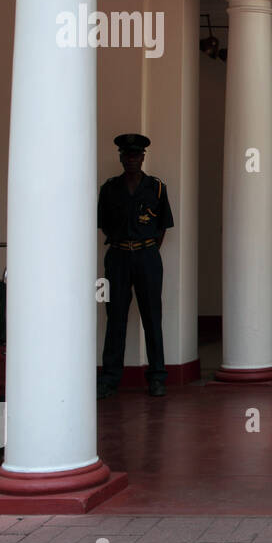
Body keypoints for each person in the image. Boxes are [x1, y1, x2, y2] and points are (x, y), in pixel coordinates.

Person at [97, 133, 174, 398]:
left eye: (136, 155)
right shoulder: (109, 189)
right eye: (126, 155)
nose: (131, 160)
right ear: (120, 157)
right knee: (114, 318)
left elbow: (162, 226)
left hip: (147, 257)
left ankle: (157, 377)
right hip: (117, 257)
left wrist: (146, 249)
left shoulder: (157, 188)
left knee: (152, 317)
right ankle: (109, 379)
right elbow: (104, 224)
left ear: (143, 157)